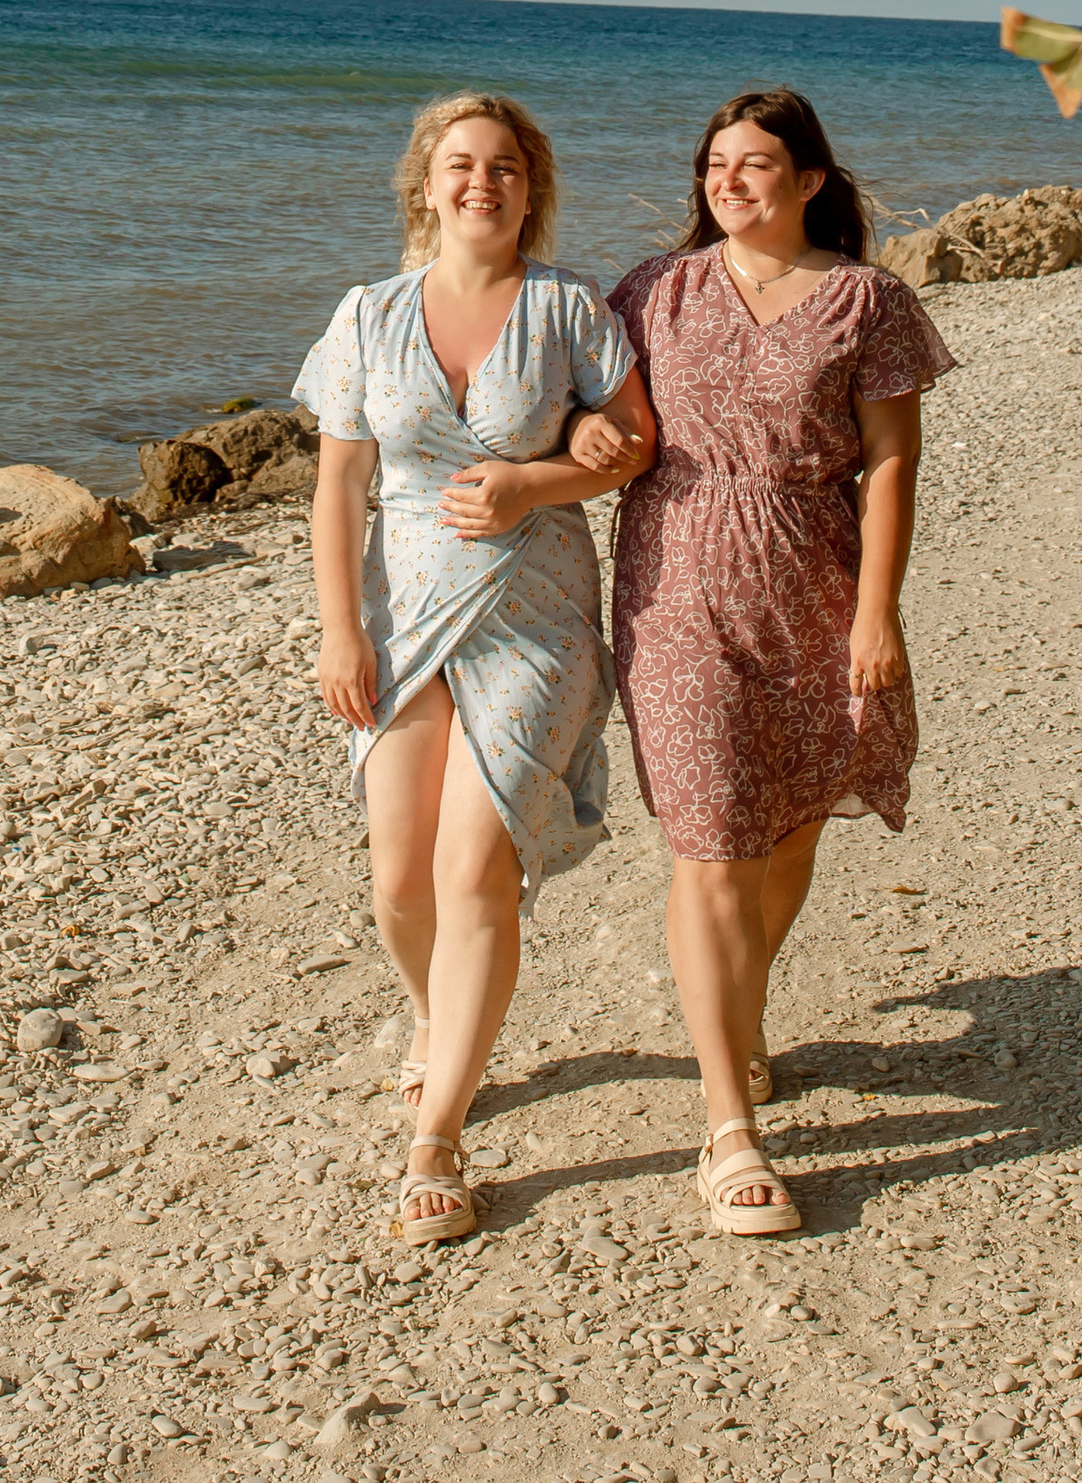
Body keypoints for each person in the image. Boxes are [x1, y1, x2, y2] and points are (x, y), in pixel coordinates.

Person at [570, 85, 954, 1236]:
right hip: (672, 588)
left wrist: (876, 614)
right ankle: (728, 1127)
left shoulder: (867, 300)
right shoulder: (651, 290)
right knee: (710, 841)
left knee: (790, 824)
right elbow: (588, 411)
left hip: (812, 584)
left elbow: (891, 464)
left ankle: (736, 1014)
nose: (728, 182)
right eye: (714, 166)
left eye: (753, 164)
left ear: (809, 179)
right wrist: (578, 439)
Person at [300, 89, 656, 1246]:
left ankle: (438, 1138)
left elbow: (633, 443)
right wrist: (339, 629)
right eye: (461, 164)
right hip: (402, 622)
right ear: (426, 183)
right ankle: (435, 1016)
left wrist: (537, 480)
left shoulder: (568, 308)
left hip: (534, 615)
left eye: (504, 165)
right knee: (398, 884)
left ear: (529, 187)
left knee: (474, 873)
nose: (482, 183)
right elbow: (340, 485)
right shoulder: (366, 315)